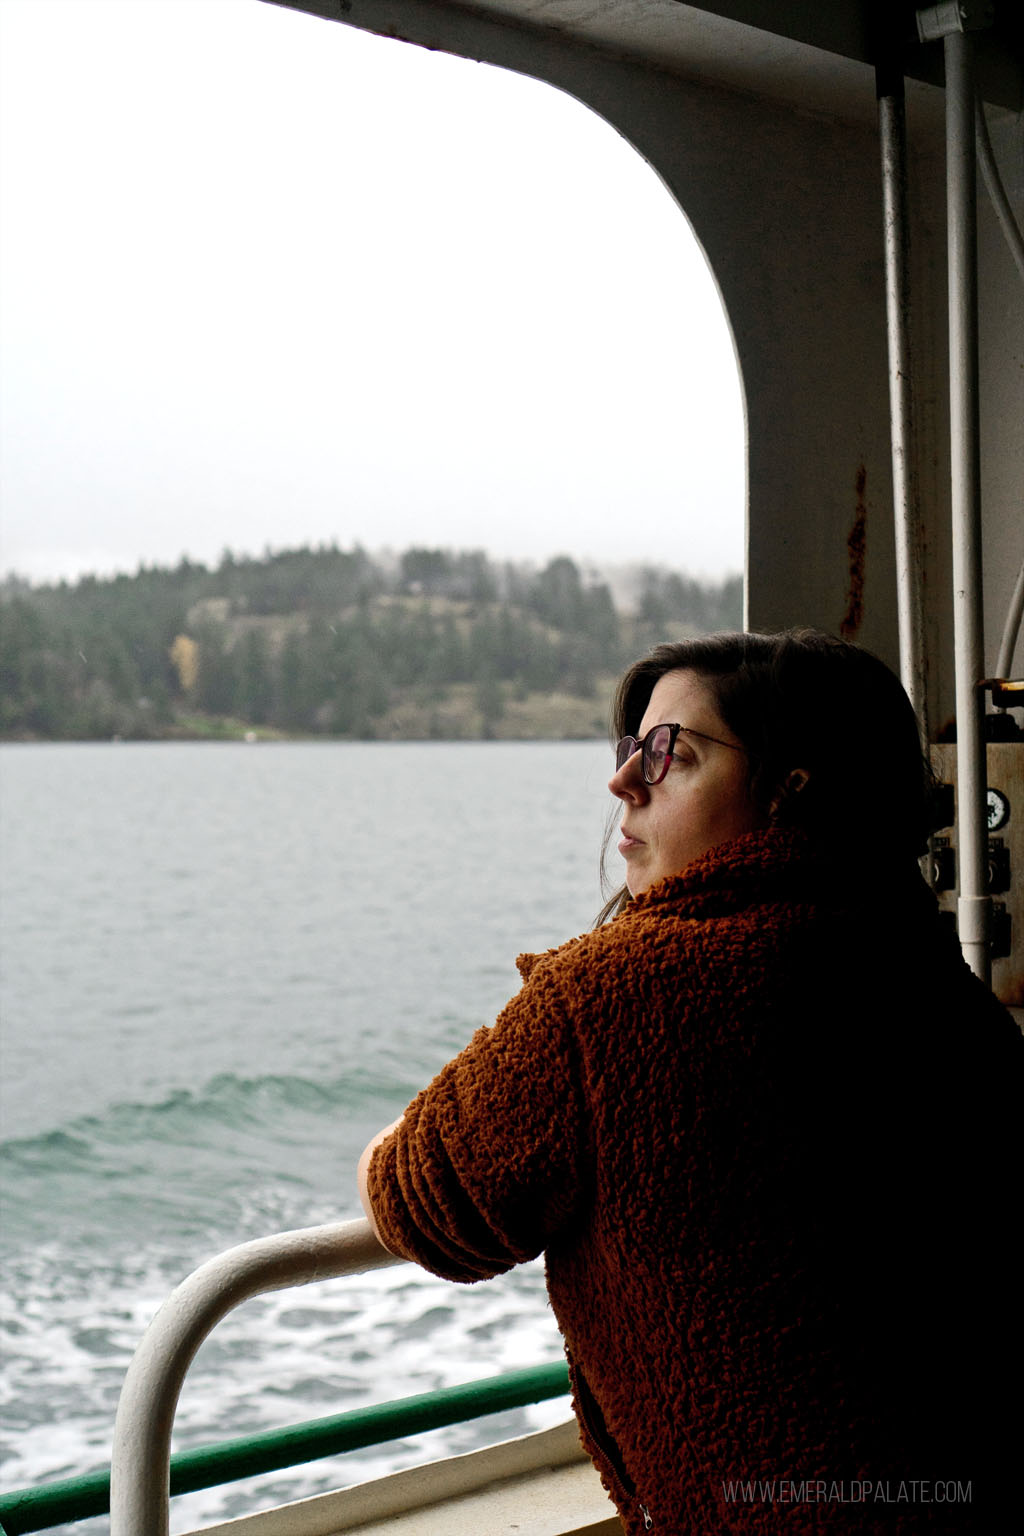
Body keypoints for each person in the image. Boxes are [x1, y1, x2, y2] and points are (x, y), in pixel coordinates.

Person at [358, 629, 1022, 1534]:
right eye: (633, 747)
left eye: (674, 752)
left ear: (791, 793)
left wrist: (380, 1153)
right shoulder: (924, 972)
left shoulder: (607, 998)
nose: (625, 781)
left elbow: (425, 1203)